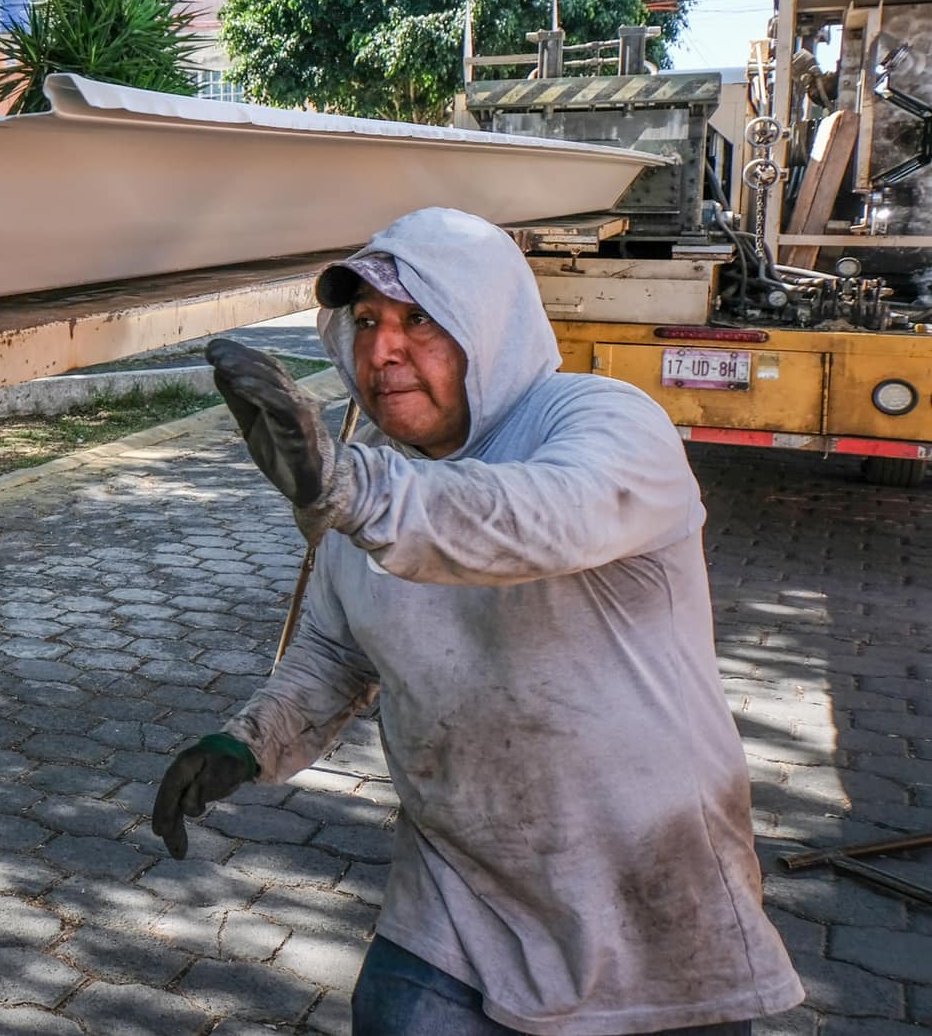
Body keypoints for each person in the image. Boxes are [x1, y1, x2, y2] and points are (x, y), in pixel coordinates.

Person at [151, 207, 802, 1036]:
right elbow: (334, 654)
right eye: (366, 322)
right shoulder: (371, 499)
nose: (382, 350)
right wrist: (246, 743)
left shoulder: (599, 419)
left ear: (487, 321)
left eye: (418, 319)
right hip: (458, 890)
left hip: (648, 886)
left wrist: (353, 490)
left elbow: (543, 518)